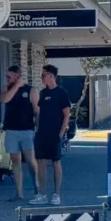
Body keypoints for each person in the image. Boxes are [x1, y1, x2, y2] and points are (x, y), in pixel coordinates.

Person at [30, 64, 70, 206]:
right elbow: (39, 112)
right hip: (41, 133)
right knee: (40, 162)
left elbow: (66, 115)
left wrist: (60, 133)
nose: (41, 78)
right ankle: (42, 194)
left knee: (55, 162)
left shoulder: (61, 93)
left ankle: (56, 194)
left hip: (55, 133)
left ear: (51, 76)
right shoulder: (43, 93)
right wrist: (37, 128)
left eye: (43, 75)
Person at [0, 65, 40, 202]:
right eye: (7, 76)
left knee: (30, 160)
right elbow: (5, 100)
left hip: (27, 131)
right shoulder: (7, 88)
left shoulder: (31, 90)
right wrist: (16, 86)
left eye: (9, 76)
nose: (7, 78)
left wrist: (39, 127)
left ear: (17, 76)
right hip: (11, 130)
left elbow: (36, 110)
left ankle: (37, 190)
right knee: (15, 162)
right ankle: (19, 192)